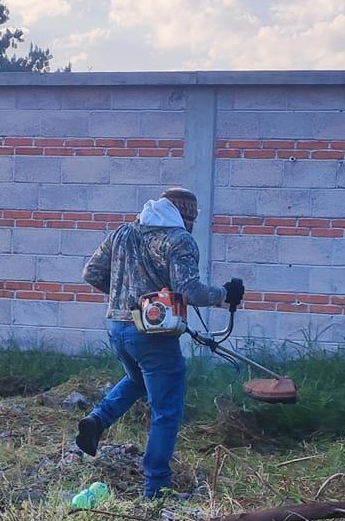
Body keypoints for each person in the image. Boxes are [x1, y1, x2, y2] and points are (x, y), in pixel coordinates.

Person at [76, 186, 244, 498]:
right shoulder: (178, 240)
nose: (191, 224)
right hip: (152, 336)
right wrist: (225, 295)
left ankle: (97, 420)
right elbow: (191, 291)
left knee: (137, 378)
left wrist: (124, 299)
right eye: (190, 217)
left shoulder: (123, 233)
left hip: (117, 328)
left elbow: (91, 272)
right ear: (184, 215)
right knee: (166, 411)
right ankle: (156, 488)